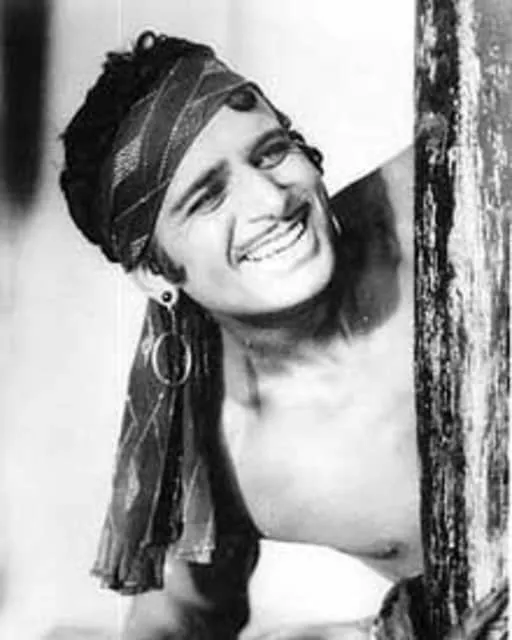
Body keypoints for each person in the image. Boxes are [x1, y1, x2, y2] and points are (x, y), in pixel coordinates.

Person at [59, 30, 420, 639]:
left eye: (270, 153)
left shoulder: (438, 197)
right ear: (155, 272)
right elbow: (174, 626)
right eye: (207, 198)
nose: (269, 202)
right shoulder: (216, 452)